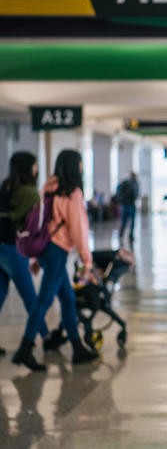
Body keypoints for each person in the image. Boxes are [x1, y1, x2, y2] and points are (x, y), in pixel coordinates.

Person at [12, 149, 99, 371]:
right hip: (57, 251)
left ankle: (77, 347)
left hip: (45, 250)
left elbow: (40, 224)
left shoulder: (48, 189)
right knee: (45, 300)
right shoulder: (72, 194)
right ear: (75, 166)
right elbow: (79, 229)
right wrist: (86, 261)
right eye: (79, 163)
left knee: (68, 299)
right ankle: (25, 347)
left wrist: (36, 258)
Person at [0, 152, 61, 356]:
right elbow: (34, 224)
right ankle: (45, 337)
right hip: (13, 249)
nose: (37, 169)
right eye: (35, 165)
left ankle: (45, 335)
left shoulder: (6, 187)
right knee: (30, 296)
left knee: (0, 294)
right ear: (29, 168)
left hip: (1, 246)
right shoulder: (29, 192)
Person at [117, 172, 139, 241]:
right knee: (132, 221)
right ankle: (131, 235)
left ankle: (121, 233)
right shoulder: (135, 183)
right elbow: (136, 194)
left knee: (124, 221)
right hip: (131, 204)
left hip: (124, 204)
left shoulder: (125, 182)